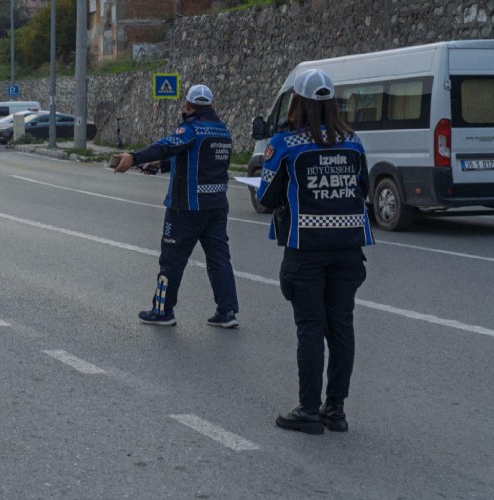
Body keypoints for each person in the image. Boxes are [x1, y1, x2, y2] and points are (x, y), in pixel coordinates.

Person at [256, 69, 375, 435]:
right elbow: (363, 188)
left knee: (310, 328)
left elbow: (265, 197)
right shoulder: (353, 142)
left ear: (298, 102)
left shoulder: (286, 144)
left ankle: (308, 409)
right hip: (350, 249)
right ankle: (335, 410)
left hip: (305, 249)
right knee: (341, 327)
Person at [113, 84, 239, 328]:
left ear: (189, 106)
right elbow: (195, 159)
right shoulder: (223, 131)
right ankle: (227, 312)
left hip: (186, 208)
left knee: (171, 260)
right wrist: (161, 165)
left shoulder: (191, 129)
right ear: (211, 105)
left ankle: (162, 311)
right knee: (219, 259)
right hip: (217, 206)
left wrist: (135, 157)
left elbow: (168, 145)